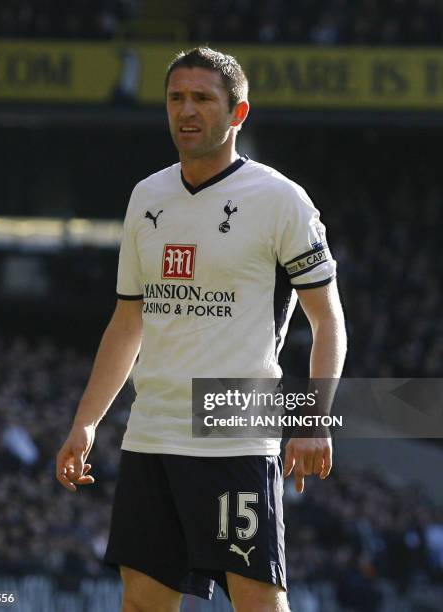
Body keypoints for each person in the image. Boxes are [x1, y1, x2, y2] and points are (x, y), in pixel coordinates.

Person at [56, 47, 347, 612]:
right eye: (175, 98)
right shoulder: (147, 197)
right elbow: (127, 321)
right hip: (152, 431)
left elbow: (328, 318)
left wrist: (316, 418)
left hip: (233, 425)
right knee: (141, 601)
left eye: (202, 98)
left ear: (237, 113)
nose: (186, 111)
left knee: (258, 602)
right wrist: (86, 422)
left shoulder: (282, 200)